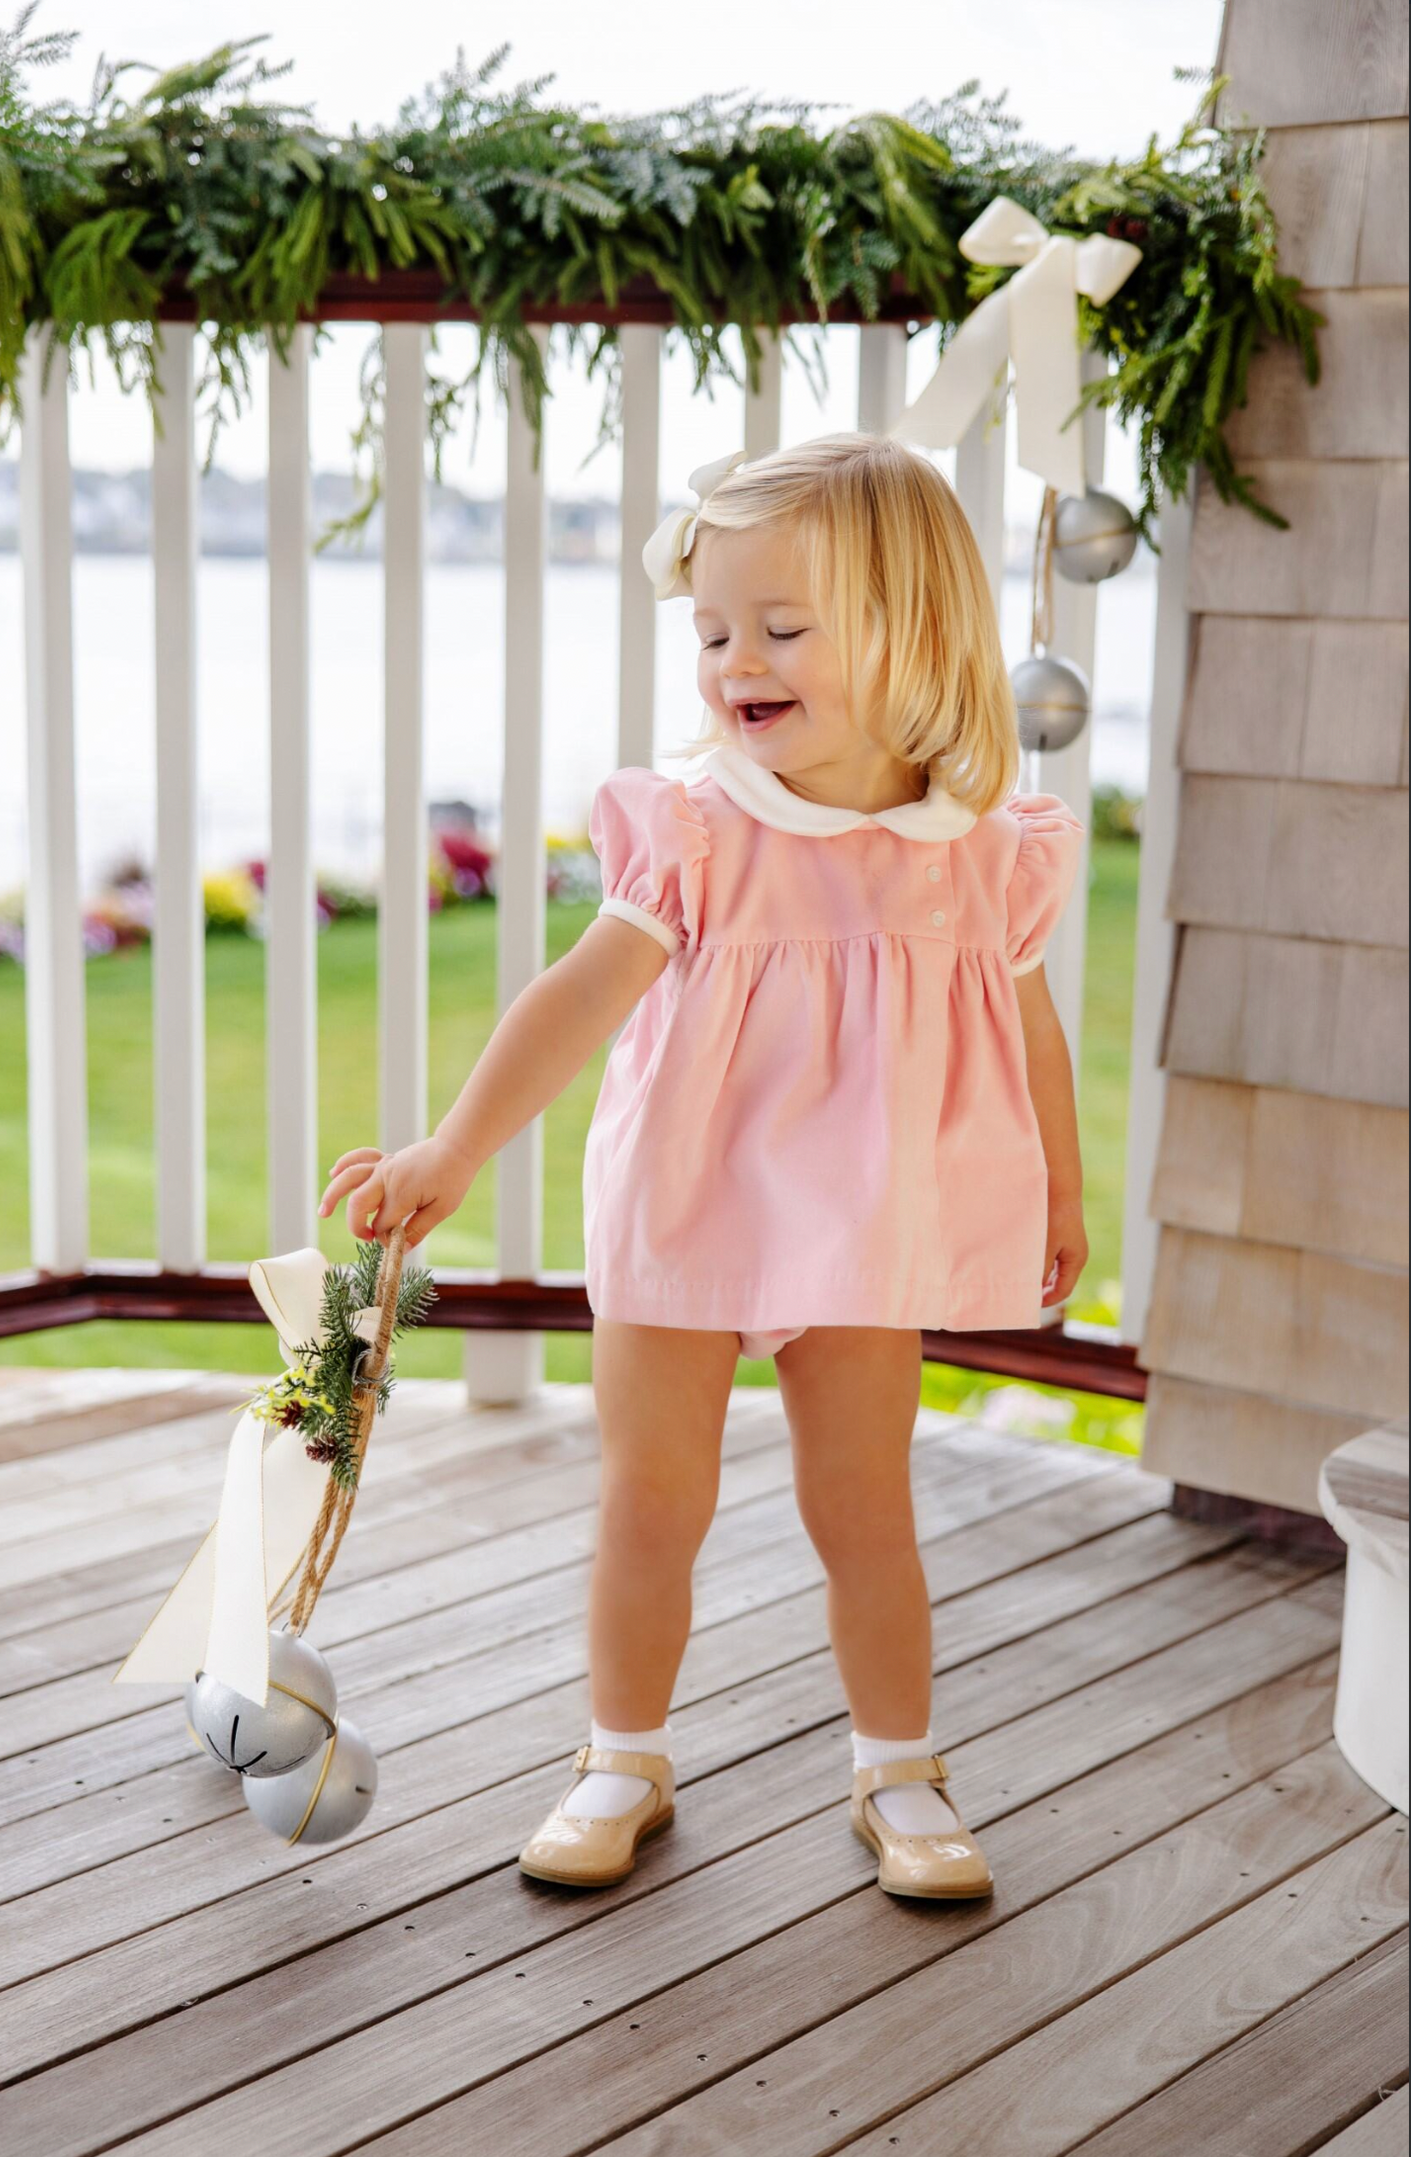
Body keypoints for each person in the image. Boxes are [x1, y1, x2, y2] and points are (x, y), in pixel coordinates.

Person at [318, 432, 1087, 1900]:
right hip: (684, 1216)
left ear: (912, 635)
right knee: (650, 1499)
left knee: (864, 1506)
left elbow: (1032, 1035)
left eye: (783, 627)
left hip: (863, 1233)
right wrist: (452, 1144)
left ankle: (899, 1768)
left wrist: (1058, 1185)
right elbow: (576, 997)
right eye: (714, 628)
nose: (739, 658)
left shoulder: (987, 853)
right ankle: (623, 1754)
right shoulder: (700, 833)